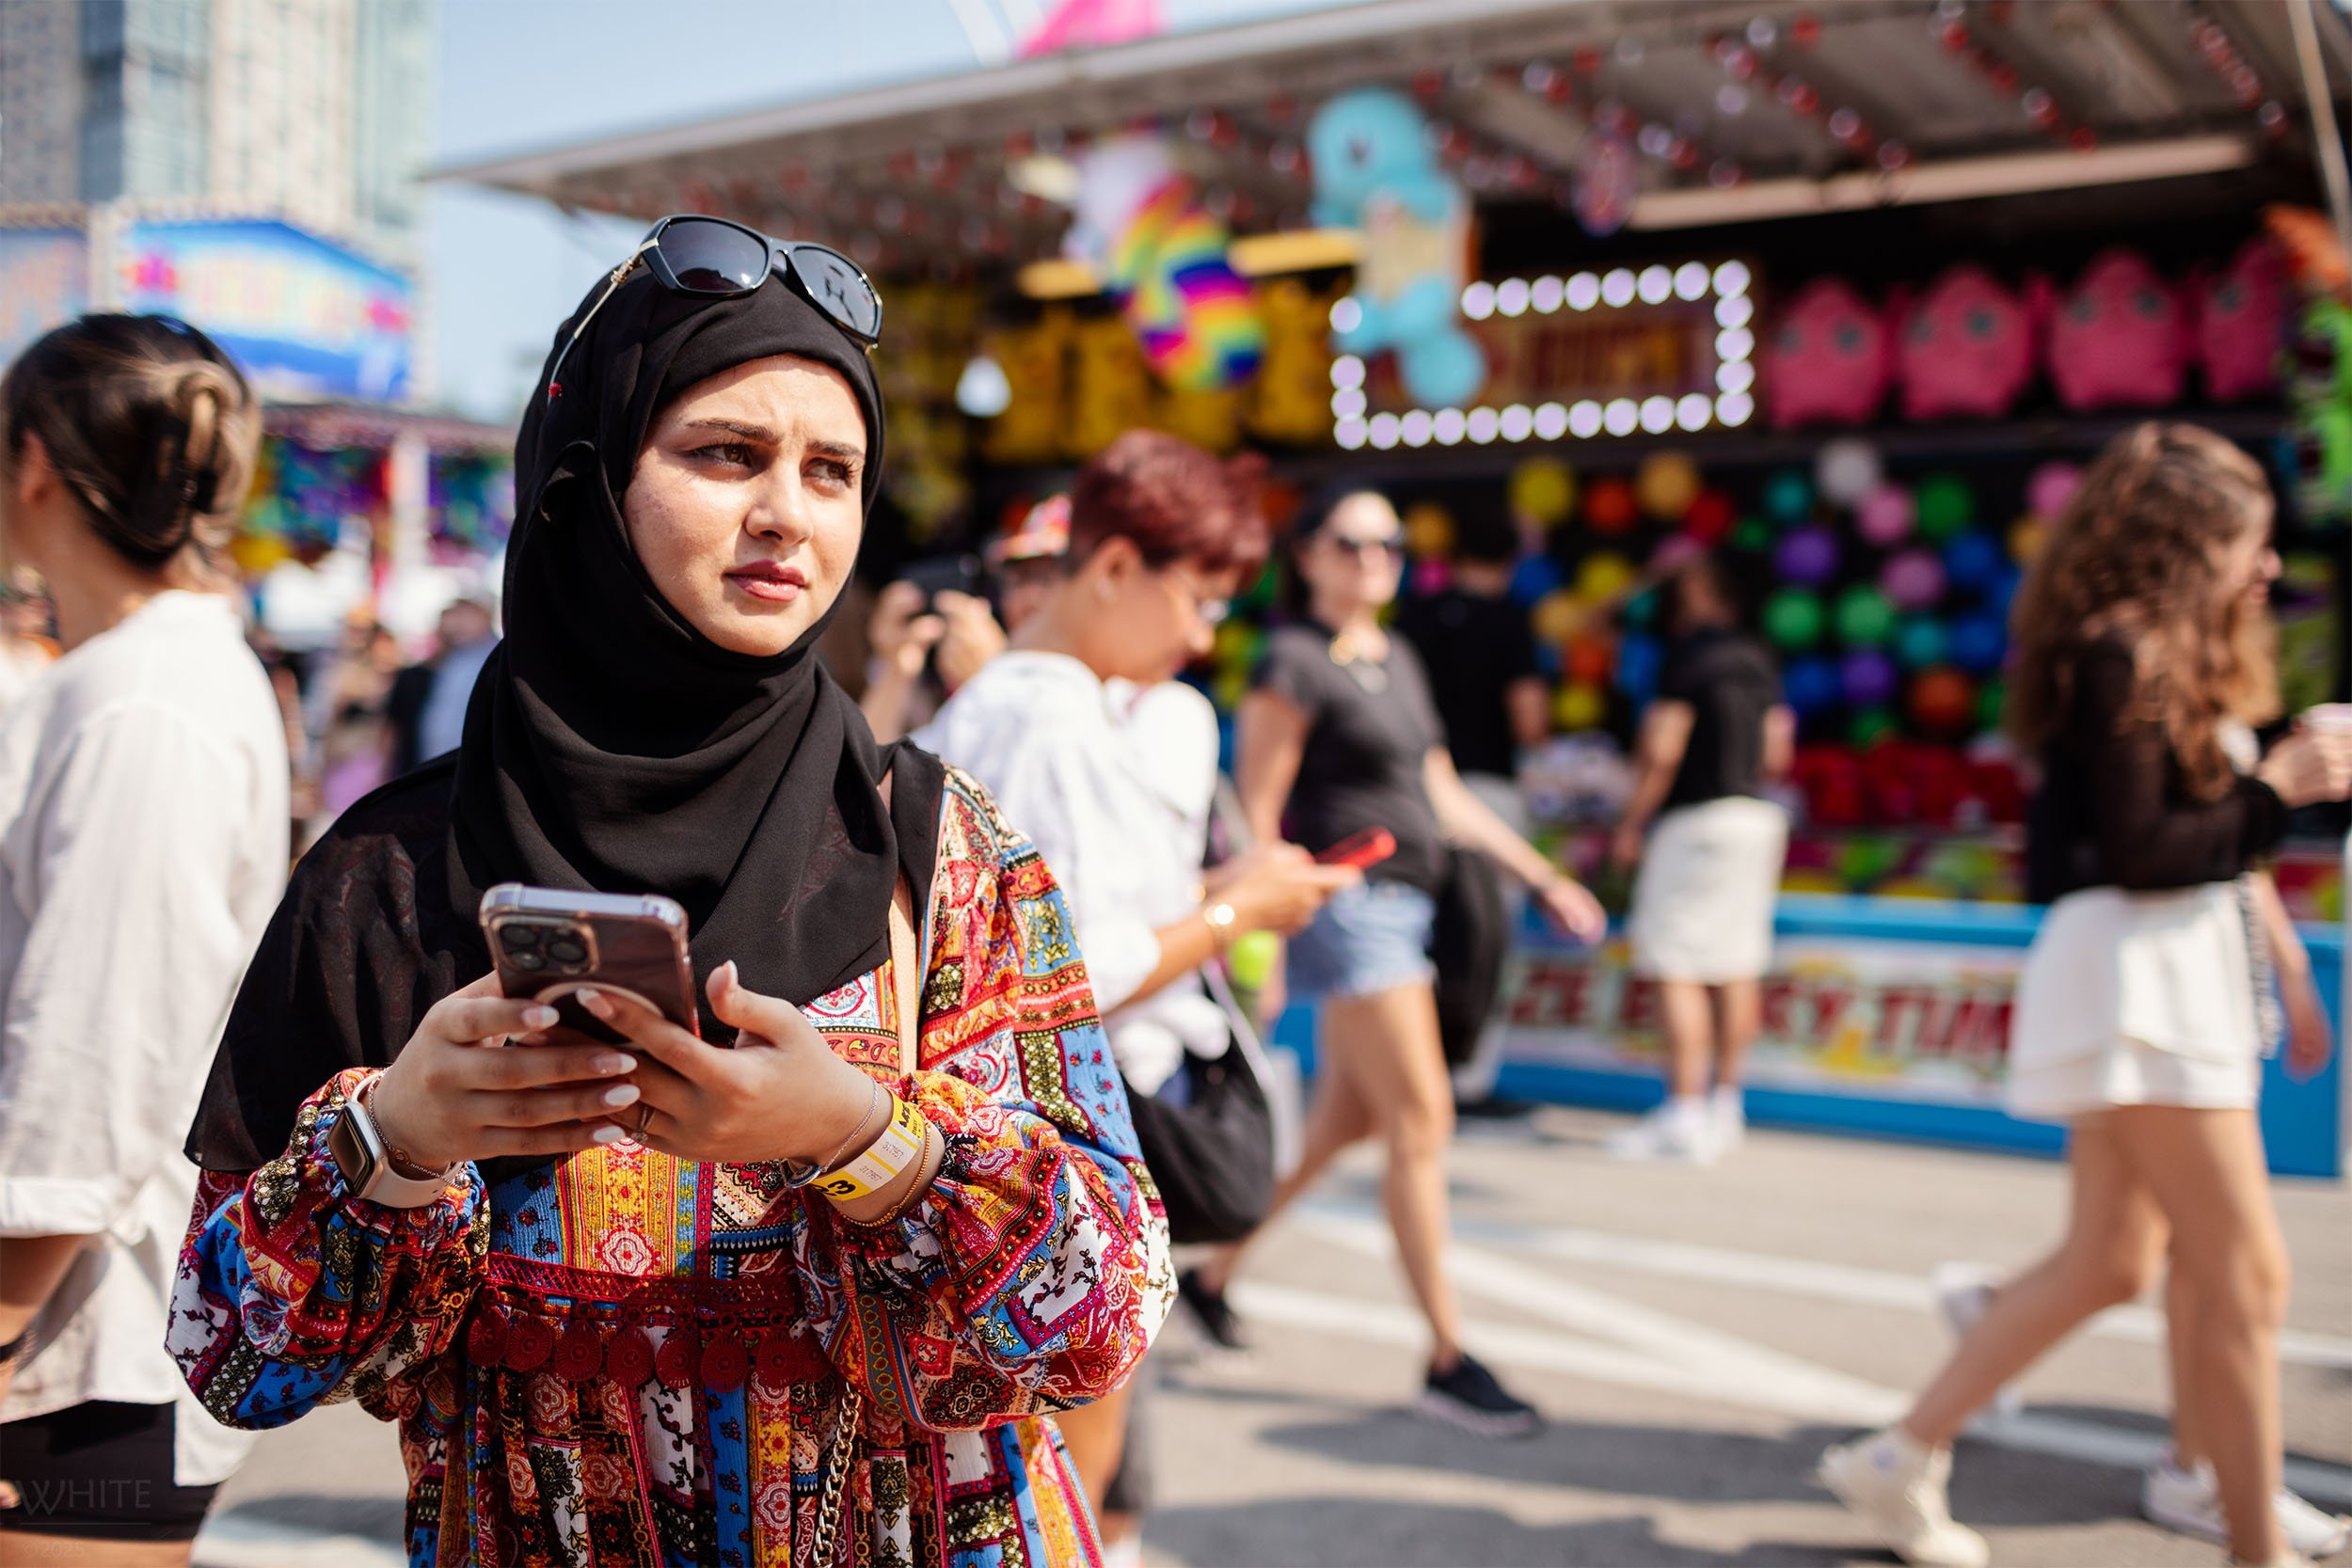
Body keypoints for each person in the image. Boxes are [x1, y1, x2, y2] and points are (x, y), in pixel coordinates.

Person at [171, 218, 1168, 1566]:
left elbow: (1110, 1309)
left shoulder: (935, 842)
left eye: (833, 470)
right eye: (725, 454)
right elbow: (231, 1356)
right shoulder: (392, 869)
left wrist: (871, 1138)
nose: (788, 514)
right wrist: (396, 1140)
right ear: (586, 477)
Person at [1818, 423, 2352, 1568]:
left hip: (2167, 968)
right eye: (2247, 544)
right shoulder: (2118, 652)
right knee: (2244, 1272)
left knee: (2118, 1259)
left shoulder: (2170, 655)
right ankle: (2245, 1535)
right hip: (2137, 973)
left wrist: (2286, 944)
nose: (2266, 568)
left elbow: (2200, 848)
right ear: (2183, 541)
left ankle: (1897, 1456)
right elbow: (2147, 847)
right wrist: (2279, 786)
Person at [917, 432, 1355, 1565]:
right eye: (1197, 597)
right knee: (1065, 1449)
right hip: (1063, 1123)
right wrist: (1230, 915)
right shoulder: (1049, 714)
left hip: (1015, 1123)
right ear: (1112, 566)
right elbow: (1072, 974)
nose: (1203, 633)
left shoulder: (1029, 702)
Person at [1186, 485, 1607, 1437]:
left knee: (1346, 1122)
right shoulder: (1290, 659)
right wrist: (1263, 934)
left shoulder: (1397, 654)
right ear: (1310, 555)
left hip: (1409, 905)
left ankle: (1211, 1275)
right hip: (1350, 906)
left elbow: (1441, 790)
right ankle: (1448, 1356)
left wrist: (1541, 874)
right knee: (1423, 1115)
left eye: (1389, 540)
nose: (1374, 555)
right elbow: (1256, 803)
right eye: (1351, 540)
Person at [0, 314, 287, 1562]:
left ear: (32, 467)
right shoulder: (136, 673)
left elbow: (93, 1066)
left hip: (75, 1357)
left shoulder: (147, 701)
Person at [1605, 545, 1792, 1163]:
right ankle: (1724, 1106)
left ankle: (1684, 1109)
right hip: (1754, 819)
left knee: (1676, 966)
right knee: (1735, 964)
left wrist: (1632, 822)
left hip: (1696, 822)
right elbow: (1777, 754)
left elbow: (1663, 747)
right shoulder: (1760, 658)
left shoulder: (1690, 655)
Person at [385, 594, 497, 776]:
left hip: (466, 770)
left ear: (484, 615)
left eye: (466, 614)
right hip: (438, 769)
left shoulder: (492, 660)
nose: (457, 622)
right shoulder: (455, 658)